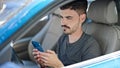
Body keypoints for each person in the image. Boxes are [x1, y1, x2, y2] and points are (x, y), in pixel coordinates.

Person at [33, 0, 101, 68]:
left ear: (82, 18)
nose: (63, 23)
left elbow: (59, 65)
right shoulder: (62, 39)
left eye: (69, 18)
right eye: (62, 17)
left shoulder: (90, 46)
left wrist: (58, 65)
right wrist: (44, 64)